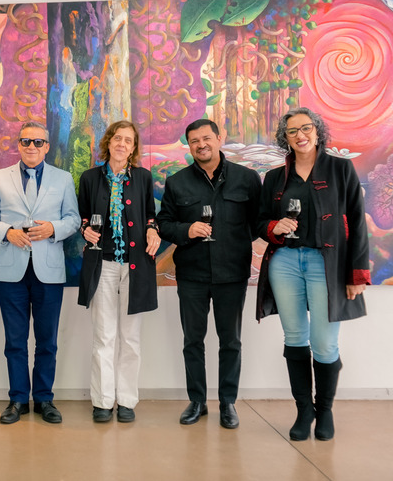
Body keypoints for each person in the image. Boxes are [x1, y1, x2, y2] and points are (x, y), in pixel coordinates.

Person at [257, 107, 370, 441]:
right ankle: (304, 410)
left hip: (326, 264)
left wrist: (357, 274)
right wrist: (274, 226)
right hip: (285, 262)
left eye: (306, 128)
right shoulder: (274, 177)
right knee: (294, 337)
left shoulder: (341, 169)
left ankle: (325, 410)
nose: (300, 135)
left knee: (324, 342)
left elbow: (357, 221)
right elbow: (260, 221)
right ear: (286, 138)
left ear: (317, 131)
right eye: (292, 131)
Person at [157, 119, 261, 429]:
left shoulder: (247, 178)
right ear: (189, 146)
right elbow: (164, 225)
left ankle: (228, 403)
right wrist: (187, 230)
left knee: (231, 341)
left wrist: (234, 242)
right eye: (194, 141)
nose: (201, 144)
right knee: (193, 340)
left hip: (232, 273)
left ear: (219, 138)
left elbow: (258, 223)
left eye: (206, 138)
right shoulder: (177, 182)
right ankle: (197, 401)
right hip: (192, 273)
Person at [0, 121, 81, 424]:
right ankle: (18, 399)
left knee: (47, 341)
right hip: (11, 271)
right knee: (15, 340)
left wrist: (54, 228)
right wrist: (7, 232)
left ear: (46, 147)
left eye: (38, 142)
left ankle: (44, 399)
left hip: (49, 271)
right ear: (19, 145)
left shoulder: (63, 179)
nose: (32, 147)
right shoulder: (0, 177)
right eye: (26, 141)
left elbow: (73, 219)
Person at [77, 120, 160, 423]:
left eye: (128, 140)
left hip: (135, 267)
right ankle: (102, 401)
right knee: (104, 336)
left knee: (131, 338)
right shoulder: (89, 178)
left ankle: (126, 400)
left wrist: (152, 230)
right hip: (103, 265)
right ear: (108, 142)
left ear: (133, 147)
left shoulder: (143, 177)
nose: (122, 144)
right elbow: (82, 218)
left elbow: (150, 215)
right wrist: (85, 230)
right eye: (117, 138)